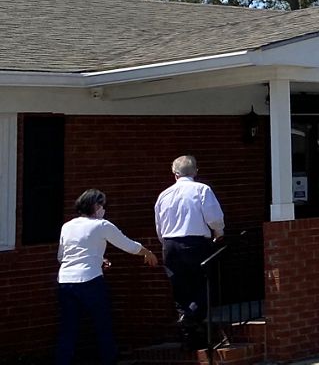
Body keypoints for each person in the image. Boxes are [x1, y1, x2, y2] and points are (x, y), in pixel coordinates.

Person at [56, 189, 158, 365]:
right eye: (102, 205)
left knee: (68, 328)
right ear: (96, 206)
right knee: (102, 324)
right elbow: (128, 245)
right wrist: (147, 252)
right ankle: (108, 359)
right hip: (90, 280)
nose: (104, 209)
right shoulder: (102, 225)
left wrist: (99, 258)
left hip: (65, 280)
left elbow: (61, 256)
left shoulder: (67, 226)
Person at [154, 155, 225, 349]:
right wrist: (219, 234)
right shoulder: (202, 190)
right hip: (195, 243)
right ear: (195, 172)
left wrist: (166, 243)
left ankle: (188, 333)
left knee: (180, 288)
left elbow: (159, 226)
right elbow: (214, 217)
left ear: (174, 174)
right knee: (203, 284)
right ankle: (191, 317)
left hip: (169, 245)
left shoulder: (164, 195)